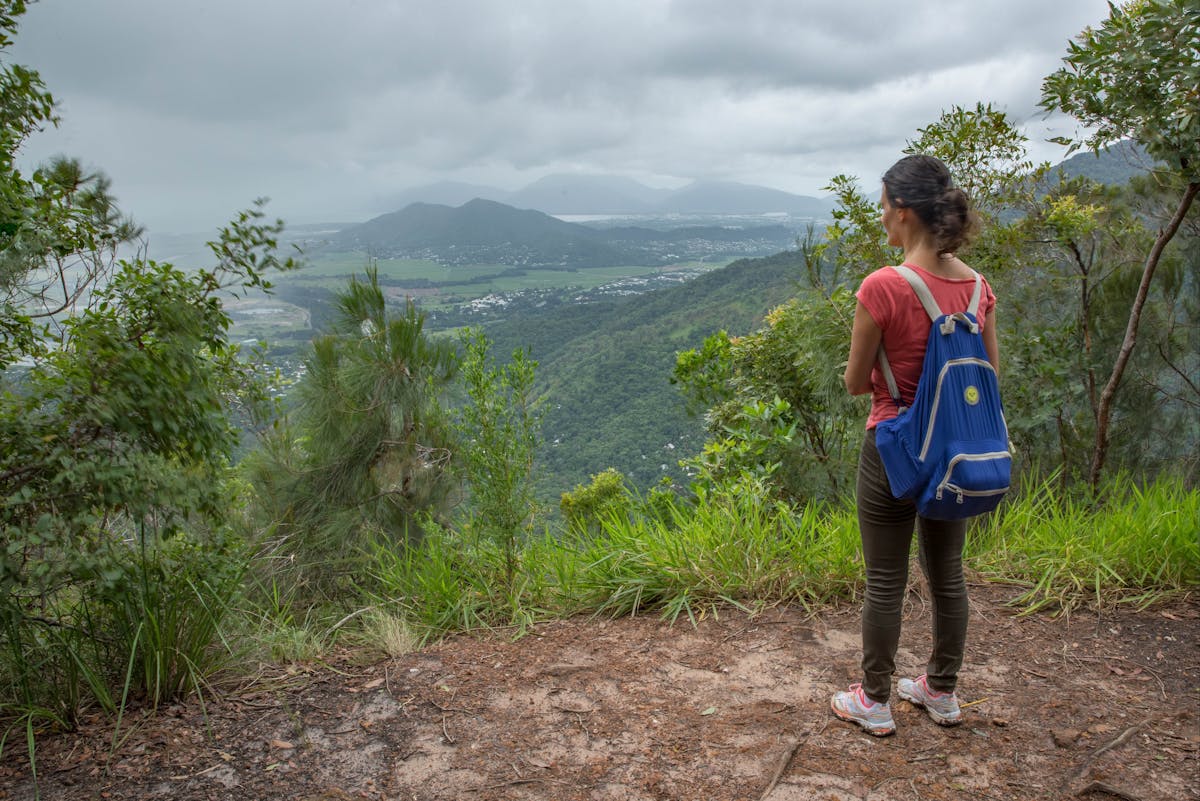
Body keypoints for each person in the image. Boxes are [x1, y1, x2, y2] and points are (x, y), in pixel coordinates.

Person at [830, 154, 998, 736]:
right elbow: (988, 377)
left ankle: (874, 700)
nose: (881, 218)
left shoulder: (884, 285)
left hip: (895, 446)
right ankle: (942, 691)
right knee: (947, 573)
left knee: (885, 577)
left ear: (903, 213)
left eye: (883, 207)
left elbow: (855, 383)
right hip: (955, 453)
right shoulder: (978, 289)